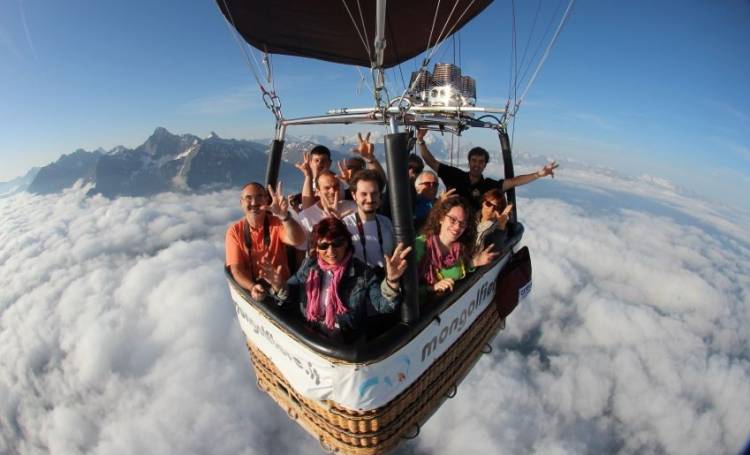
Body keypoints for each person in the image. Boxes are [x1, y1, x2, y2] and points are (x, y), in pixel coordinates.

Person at [260, 217, 412, 338]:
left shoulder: (362, 273)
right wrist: (279, 286)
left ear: (346, 243)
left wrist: (392, 281)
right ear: (317, 249)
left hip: (345, 341)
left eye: (337, 243)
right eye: (324, 246)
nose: (331, 251)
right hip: (309, 334)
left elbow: (383, 306)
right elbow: (289, 296)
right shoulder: (310, 266)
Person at [416, 128, 559, 211]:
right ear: (469, 162)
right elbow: (430, 161)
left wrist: (538, 174)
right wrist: (421, 141)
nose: (477, 164)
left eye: (481, 162)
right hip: (448, 221)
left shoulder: (489, 186)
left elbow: (514, 182)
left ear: (485, 165)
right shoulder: (454, 175)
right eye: (474, 161)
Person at [225, 182, 306, 302]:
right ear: (241, 203)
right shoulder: (234, 232)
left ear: (267, 200)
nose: (254, 203)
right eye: (248, 198)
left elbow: (298, 239)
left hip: (282, 289)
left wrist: (285, 217)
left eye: (259, 197)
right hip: (254, 291)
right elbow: (237, 269)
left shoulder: (277, 223)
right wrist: (252, 287)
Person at [415, 197, 498, 295]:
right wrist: (431, 288)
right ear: (441, 218)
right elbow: (406, 290)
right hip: (427, 307)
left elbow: (459, 272)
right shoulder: (420, 246)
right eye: (452, 219)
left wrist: (473, 263)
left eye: (462, 223)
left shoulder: (460, 248)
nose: (457, 227)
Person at [342, 169, 394, 270]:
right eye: (364, 194)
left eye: (374, 193)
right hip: (358, 283)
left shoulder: (387, 223)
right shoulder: (345, 225)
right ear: (354, 195)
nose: (370, 199)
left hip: (386, 280)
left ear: (380, 195)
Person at [295, 170, 357, 249]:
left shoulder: (353, 207)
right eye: (327, 188)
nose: (332, 191)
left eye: (336, 186)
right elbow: (302, 249)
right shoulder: (306, 216)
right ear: (317, 192)